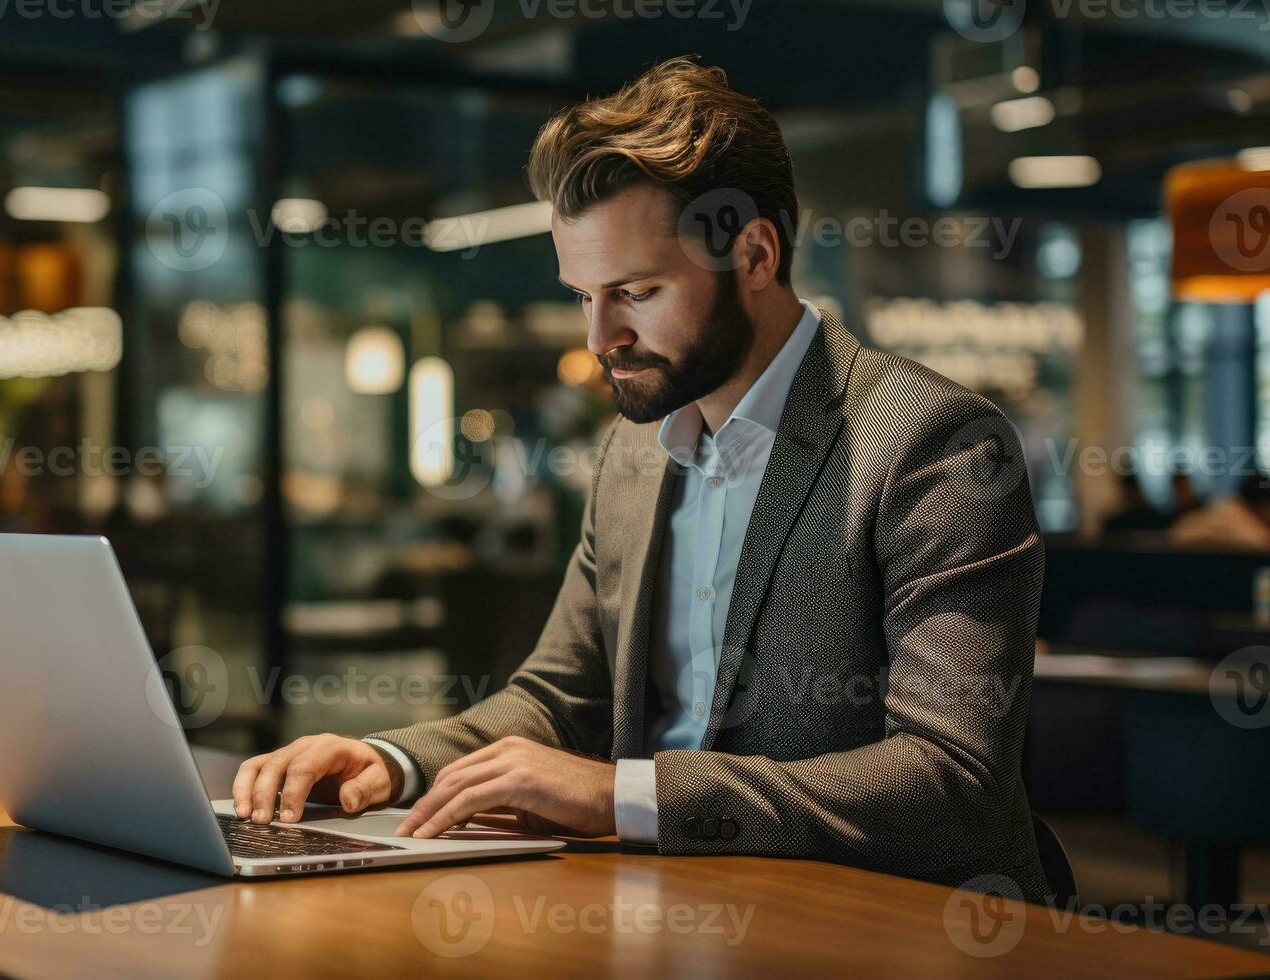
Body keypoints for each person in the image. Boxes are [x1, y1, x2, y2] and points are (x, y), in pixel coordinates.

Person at [231, 56, 1050, 898]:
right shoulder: (633, 453)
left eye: (634, 291)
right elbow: (558, 697)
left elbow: (954, 783)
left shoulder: (933, 444)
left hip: (884, 922)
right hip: (669, 902)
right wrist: (391, 760)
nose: (599, 337)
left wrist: (622, 795)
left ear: (756, 254)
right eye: (583, 295)